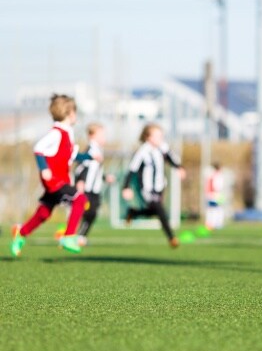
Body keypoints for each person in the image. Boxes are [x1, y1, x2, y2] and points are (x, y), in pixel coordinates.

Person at [10, 94, 100, 257]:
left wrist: (88, 157)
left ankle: (20, 233)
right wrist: (44, 168)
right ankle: (68, 236)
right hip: (54, 181)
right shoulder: (57, 132)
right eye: (75, 112)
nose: (76, 116)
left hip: (60, 180)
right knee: (80, 200)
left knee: (44, 212)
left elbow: (72, 155)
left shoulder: (68, 132)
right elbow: (38, 148)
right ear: (69, 113)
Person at [122, 124, 186, 248]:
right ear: (148, 137)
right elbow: (132, 170)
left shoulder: (162, 148)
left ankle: (133, 213)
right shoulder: (142, 151)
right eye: (157, 136)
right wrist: (126, 187)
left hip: (160, 187)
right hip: (147, 189)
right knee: (160, 210)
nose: (161, 138)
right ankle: (171, 238)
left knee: (154, 211)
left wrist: (179, 168)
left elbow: (170, 158)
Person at [74, 123, 115, 246]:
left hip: (95, 189)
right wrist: (80, 181)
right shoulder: (90, 150)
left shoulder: (98, 149)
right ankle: (76, 235)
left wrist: (104, 177)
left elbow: (95, 170)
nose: (104, 137)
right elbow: (81, 167)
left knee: (92, 213)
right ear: (92, 136)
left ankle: (80, 236)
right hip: (87, 189)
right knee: (88, 212)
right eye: (101, 135)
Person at [205, 162, 225, 230]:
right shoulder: (217, 175)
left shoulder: (211, 175)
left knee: (212, 209)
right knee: (217, 209)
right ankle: (216, 224)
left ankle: (210, 224)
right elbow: (217, 187)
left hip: (210, 194)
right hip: (215, 195)